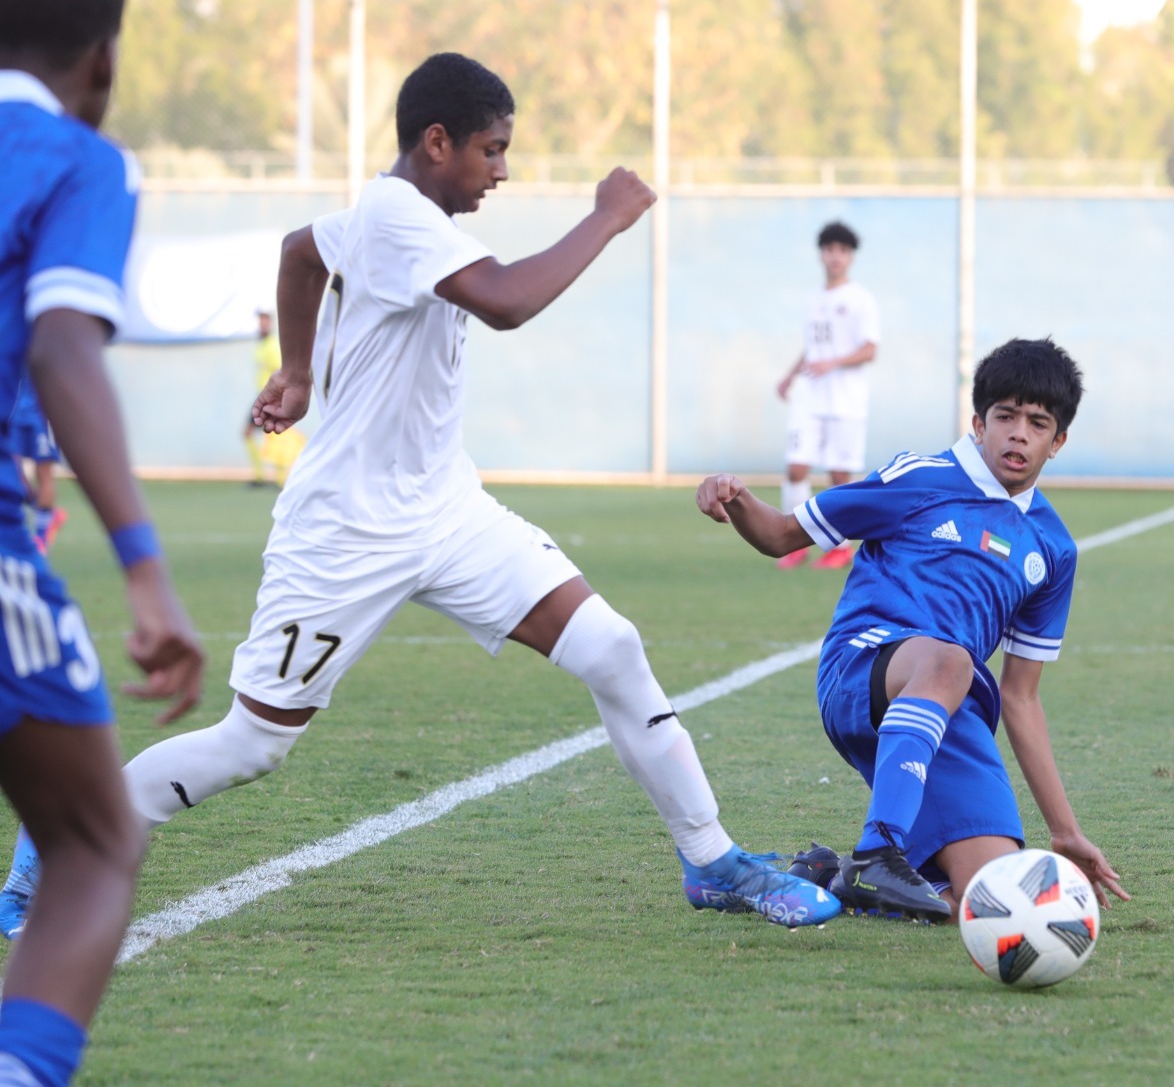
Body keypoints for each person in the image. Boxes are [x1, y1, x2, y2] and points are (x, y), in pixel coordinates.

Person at [0, 52, 841, 940]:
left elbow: (299, 252)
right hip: (345, 533)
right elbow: (507, 303)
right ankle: (57, 841)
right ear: (436, 142)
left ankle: (713, 861)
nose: (503, 171)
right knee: (253, 744)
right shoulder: (403, 217)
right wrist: (605, 217)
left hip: (446, 511)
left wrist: (296, 373)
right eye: (492, 150)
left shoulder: (392, 210)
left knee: (611, 647)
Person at [696, 338, 1130, 923]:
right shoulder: (920, 478)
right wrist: (736, 496)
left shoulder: (1053, 549)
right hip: (864, 673)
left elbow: (1022, 697)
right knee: (950, 660)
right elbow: (780, 536)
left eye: (1037, 423)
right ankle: (879, 849)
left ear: (1059, 441)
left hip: (955, 714)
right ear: (978, 423)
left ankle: (838, 880)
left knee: (993, 904)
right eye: (1004, 416)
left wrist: (1066, 831)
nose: (1018, 434)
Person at [0, 0, 206, 1084]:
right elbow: (61, 345)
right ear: (104, 63)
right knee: (91, 842)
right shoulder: (77, 161)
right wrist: (144, 571)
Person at [774, 220, 879, 571]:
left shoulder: (860, 299)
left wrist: (832, 363)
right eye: (830, 249)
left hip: (846, 400)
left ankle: (840, 547)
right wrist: (789, 376)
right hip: (810, 397)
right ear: (822, 254)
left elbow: (869, 350)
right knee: (796, 467)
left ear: (850, 257)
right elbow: (812, 348)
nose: (835, 257)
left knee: (838, 477)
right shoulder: (813, 299)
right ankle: (793, 542)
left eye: (842, 251)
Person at [241, 309, 304, 488]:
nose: (262, 324)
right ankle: (262, 476)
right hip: (261, 395)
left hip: (270, 396)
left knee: (276, 434)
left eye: (265, 320)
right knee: (255, 434)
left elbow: (281, 370)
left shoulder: (273, 345)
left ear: (271, 322)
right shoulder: (261, 345)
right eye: (260, 320)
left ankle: (280, 479)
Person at [6, 376, 67, 553]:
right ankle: (48, 514)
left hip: (41, 415)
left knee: (43, 474)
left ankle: (41, 538)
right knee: (12, 473)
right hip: (14, 413)